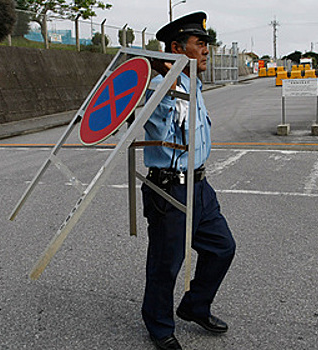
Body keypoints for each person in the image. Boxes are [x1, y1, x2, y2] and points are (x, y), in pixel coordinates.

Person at [141, 11, 236, 350]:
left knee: (222, 247)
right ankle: (159, 325)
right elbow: (154, 128)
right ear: (177, 49)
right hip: (168, 187)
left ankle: (194, 305)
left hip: (199, 185)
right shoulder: (158, 89)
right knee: (166, 264)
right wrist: (167, 89)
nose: (206, 49)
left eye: (207, 43)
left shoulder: (194, 84)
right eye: (200, 43)